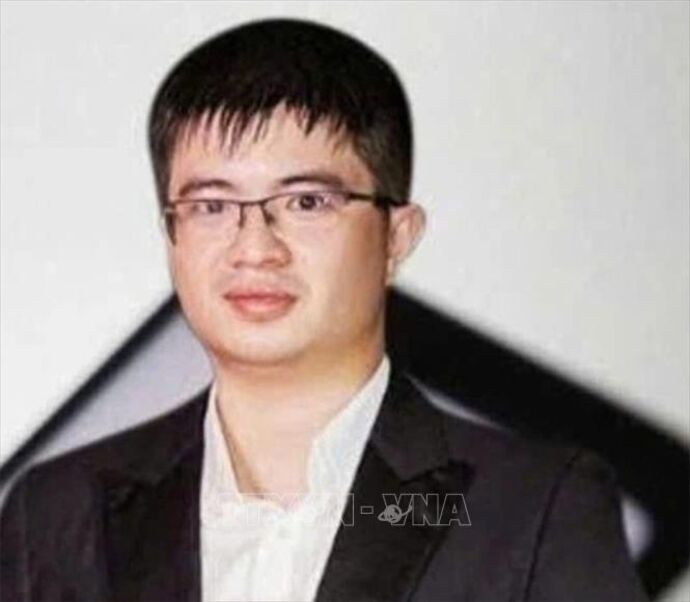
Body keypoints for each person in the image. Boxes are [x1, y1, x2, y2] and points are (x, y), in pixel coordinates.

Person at [0, 18, 648, 602]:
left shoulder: (532, 506)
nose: (256, 248)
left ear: (397, 236)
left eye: (306, 202)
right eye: (212, 207)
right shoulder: (55, 513)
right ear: (170, 235)